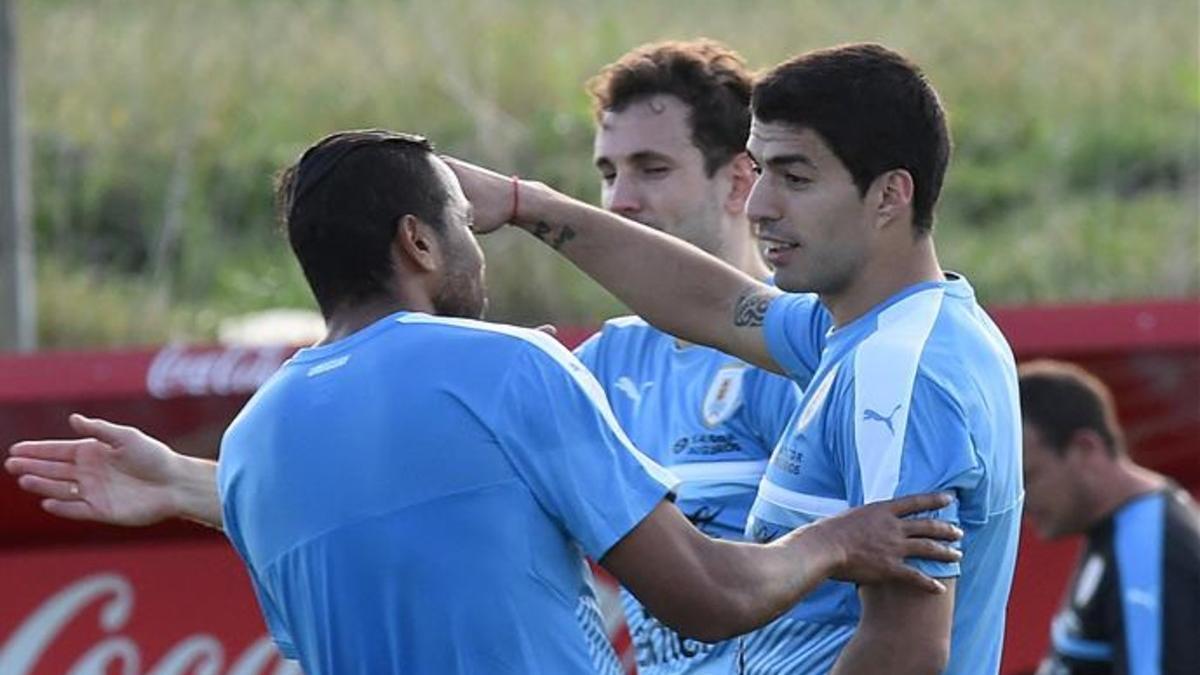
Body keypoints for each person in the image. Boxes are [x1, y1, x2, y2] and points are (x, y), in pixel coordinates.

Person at [6, 129, 962, 675]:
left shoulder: (257, 442)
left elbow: (406, 510)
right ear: (419, 242)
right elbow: (710, 597)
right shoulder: (509, 367)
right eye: (467, 224)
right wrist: (840, 540)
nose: (479, 246)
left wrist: (183, 480)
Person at [447, 42, 1024, 674]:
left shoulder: (897, 371)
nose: (760, 206)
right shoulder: (867, 329)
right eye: (762, 171)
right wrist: (526, 204)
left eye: (795, 178)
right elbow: (720, 305)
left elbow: (906, 652)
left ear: (889, 195)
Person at [577, 39, 827, 675]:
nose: (619, 200)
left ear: (741, 180)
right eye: (608, 173)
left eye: (651, 169)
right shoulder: (606, 361)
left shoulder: (803, 346)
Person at [1019, 359, 1200, 675]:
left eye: (1029, 476)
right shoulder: (1121, 531)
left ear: (1085, 448)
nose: (1022, 502)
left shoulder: (1148, 549)